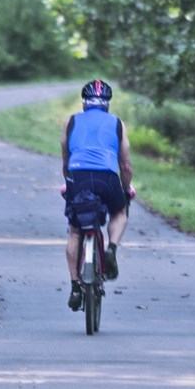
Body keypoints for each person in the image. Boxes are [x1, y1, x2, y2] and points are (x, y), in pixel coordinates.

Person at [61, 79, 134, 310]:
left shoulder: (71, 121)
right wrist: (125, 189)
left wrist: (68, 179)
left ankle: (74, 286)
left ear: (84, 102)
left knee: (75, 231)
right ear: (107, 104)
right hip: (107, 177)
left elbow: (65, 153)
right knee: (120, 211)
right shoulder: (117, 124)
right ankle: (111, 248)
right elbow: (126, 165)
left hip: (78, 176)